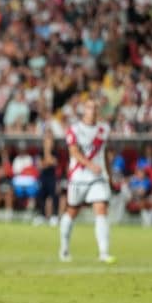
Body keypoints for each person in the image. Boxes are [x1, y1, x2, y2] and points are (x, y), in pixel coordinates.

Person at [59, 99, 114, 263]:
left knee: (101, 208)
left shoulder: (104, 129)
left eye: (96, 107)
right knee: (72, 211)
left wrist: (108, 174)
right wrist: (90, 165)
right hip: (79, 177)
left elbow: (104, 153)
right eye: (90, 107)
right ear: (84, 110)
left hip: (98, 177)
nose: (94, 110)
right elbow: (74, 152)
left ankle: (103, 252)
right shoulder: (74, 129)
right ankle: (64, 248)